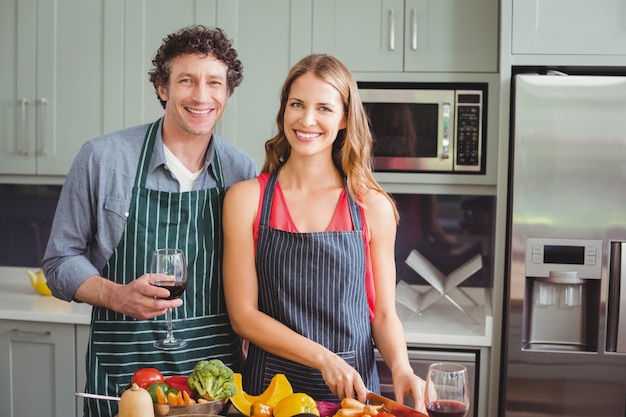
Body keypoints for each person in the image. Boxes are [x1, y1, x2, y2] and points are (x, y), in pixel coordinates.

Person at [42, 25, 257, 417]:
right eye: (187, 80)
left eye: (214, 83)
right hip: (126, 374)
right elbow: (59, 262)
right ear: (162, 87)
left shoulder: (240, 170)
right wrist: (116, 296)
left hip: (213, 382)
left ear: (227, 92)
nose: (201, 96)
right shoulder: (102, 159)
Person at [222, 54, 426, 410]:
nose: (307, 120)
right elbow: (244, 316)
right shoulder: (247, 199)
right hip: (269, 393)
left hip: (352, 392)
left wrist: (402, 367)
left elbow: (382, 315)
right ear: (283, 110)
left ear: (345, 117)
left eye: (324, 108)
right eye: (297, 104)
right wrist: (323, 359)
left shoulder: (371, 207)